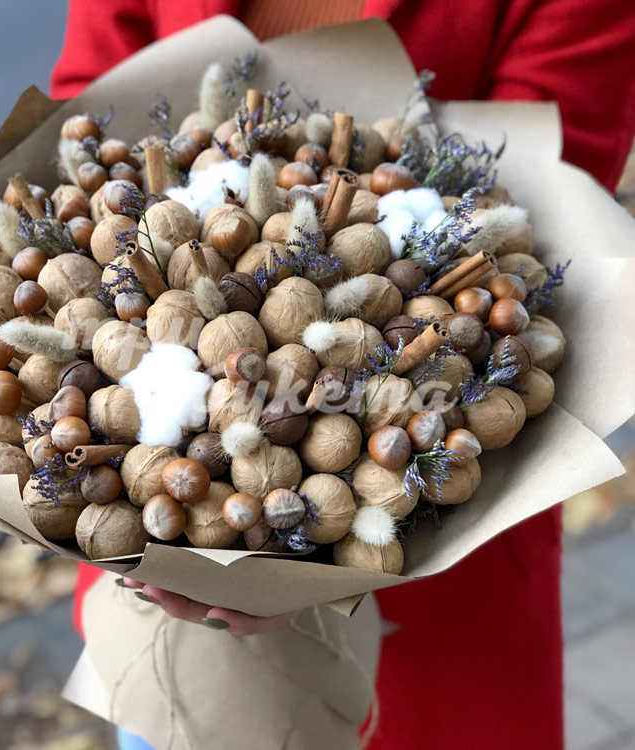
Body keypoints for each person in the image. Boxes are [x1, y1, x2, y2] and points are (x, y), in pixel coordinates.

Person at [50, 2, 635, 748]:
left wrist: (295, 564)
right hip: (163, 596)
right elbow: (91, 100)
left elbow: (547, 179)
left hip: (445, 559)